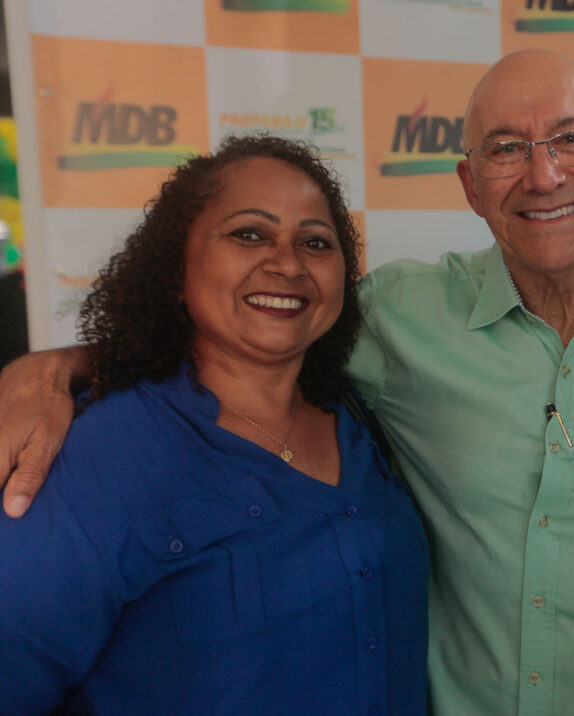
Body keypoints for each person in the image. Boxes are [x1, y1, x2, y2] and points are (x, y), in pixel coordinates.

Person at [0, 51, 574, 714]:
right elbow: (247, 329)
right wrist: (50, 369)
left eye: (572, 139)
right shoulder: (398, 316)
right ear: (471, 186)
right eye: (506, 148)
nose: (543, 175)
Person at [0, 134, 428, 714]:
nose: (288, 263)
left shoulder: (363, 419)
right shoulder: (96, 457)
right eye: (249, 233)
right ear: (176, 262)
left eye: (315, 242)